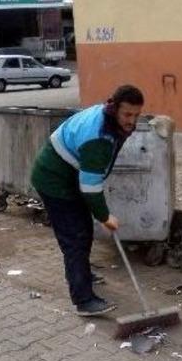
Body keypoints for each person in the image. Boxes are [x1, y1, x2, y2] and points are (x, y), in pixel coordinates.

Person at [30, 85, 144, 316]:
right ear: (114, 108)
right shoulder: (99, 137)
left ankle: (82, 272)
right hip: (54, 181)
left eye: (136, 115)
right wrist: (105, 216)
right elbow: (90, 188)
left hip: (70, 174)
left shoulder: (109, 118)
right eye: (127, 115)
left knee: (83, 229)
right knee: (75, 238)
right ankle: (83, 300)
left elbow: (91, 177)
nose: (132, 121)